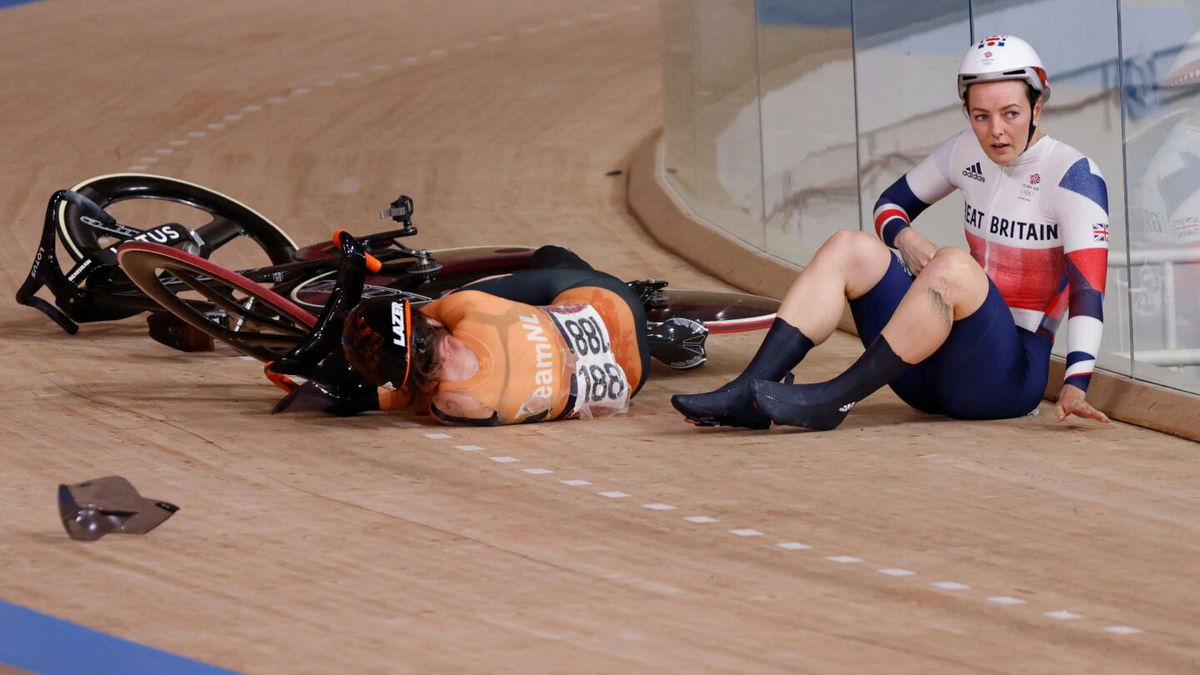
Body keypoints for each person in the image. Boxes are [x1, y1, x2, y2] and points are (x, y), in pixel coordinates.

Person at [672, 34, 1112, 430]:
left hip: (1005, 381)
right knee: (850, 246)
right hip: (923, 373)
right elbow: (889, 206)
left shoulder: (1073, 175)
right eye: (981, 116)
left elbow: (1088, 292)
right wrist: (907, 239)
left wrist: (1077, 383)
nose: (995, 131)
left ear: (1038, 106)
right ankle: (748, 390)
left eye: (1011, 113)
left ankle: (835, 398)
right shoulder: (965, 151)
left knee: (954, 264)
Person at [338, 245, 652, 425]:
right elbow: (428, 311)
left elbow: (351, 398)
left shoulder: (453, 402)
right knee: (550, 255)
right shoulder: (468, 309)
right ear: (432, 325)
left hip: (631, 379)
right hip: (614, 302)